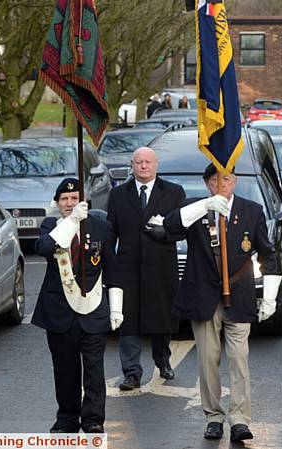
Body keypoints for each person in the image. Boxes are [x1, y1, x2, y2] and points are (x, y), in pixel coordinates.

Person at [163, 164, 280, 442]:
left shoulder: (251, 211)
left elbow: (268, 253)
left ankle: (239, 418)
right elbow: (170, 226)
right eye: (214, 180)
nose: (221, 184)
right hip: (203, 295)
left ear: (235, 181)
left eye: (226, 179)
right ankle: (213, 416)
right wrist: (205, 206)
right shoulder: (195, 208)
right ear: (206, 184)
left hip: (238, 295)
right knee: (208, 360)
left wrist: (270, 297)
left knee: (239, 359)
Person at [32, 178, 123, 433]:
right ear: (57, 203)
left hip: (93, 310)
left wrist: (116, 308)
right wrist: (72, 222)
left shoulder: (101, 227)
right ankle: (67, 418)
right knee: (65, 369)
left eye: (74, 199)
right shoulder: (52, 226)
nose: (69, 203)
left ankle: (93, 419)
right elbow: (45, 248)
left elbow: (113, 270)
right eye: (64, 200)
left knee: (94, 370)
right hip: (59, 312)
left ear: (84, 201)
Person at [106, 147, 186, 390]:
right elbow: (111, 232)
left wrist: (167, 233)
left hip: (161, 268)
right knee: (128, 321)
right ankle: (131, 372)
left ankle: (162, 360)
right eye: (138, 162)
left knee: (161, 319)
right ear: (132, 165)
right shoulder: (119, 195)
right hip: (128, 268)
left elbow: (182, 228)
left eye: (147, 162)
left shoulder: (173, 192)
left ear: (156, 164)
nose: (143, 166)